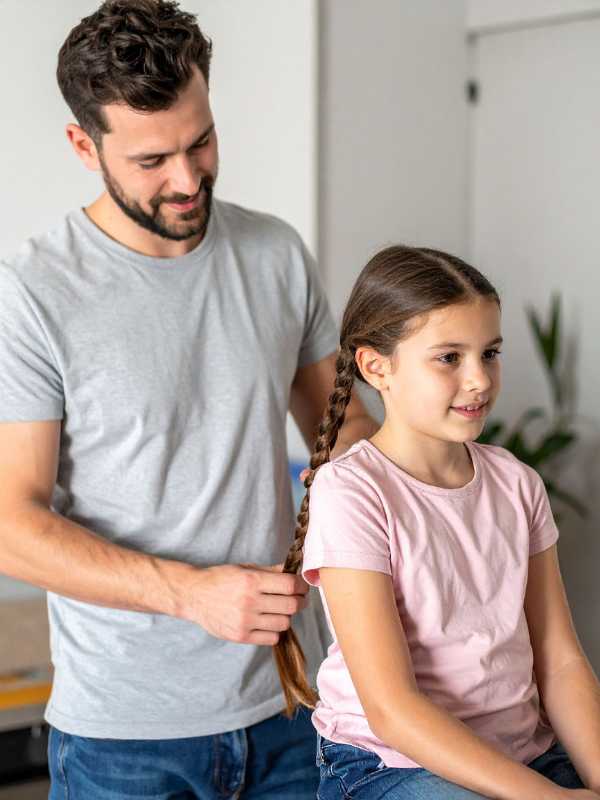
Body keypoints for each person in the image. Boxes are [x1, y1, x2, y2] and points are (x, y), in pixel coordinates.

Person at [0, 1, 377, 798]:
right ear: (82, 145)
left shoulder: (274, 252)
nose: (187, 176)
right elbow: (12, 526)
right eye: (151, 159)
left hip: (293, 705)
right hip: (124, 742)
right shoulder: (31, 294)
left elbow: (344, 440)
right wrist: (189, 592)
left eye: (200, 140)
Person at [275, 245, 600, 799]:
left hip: (522, 753)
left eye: (489, 353)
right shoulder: (353, 491)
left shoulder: (516, 483)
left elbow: (560, 659)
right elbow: (392, 708)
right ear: (376, 367)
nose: (479, 380)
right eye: (449, 357)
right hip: (392, 763)